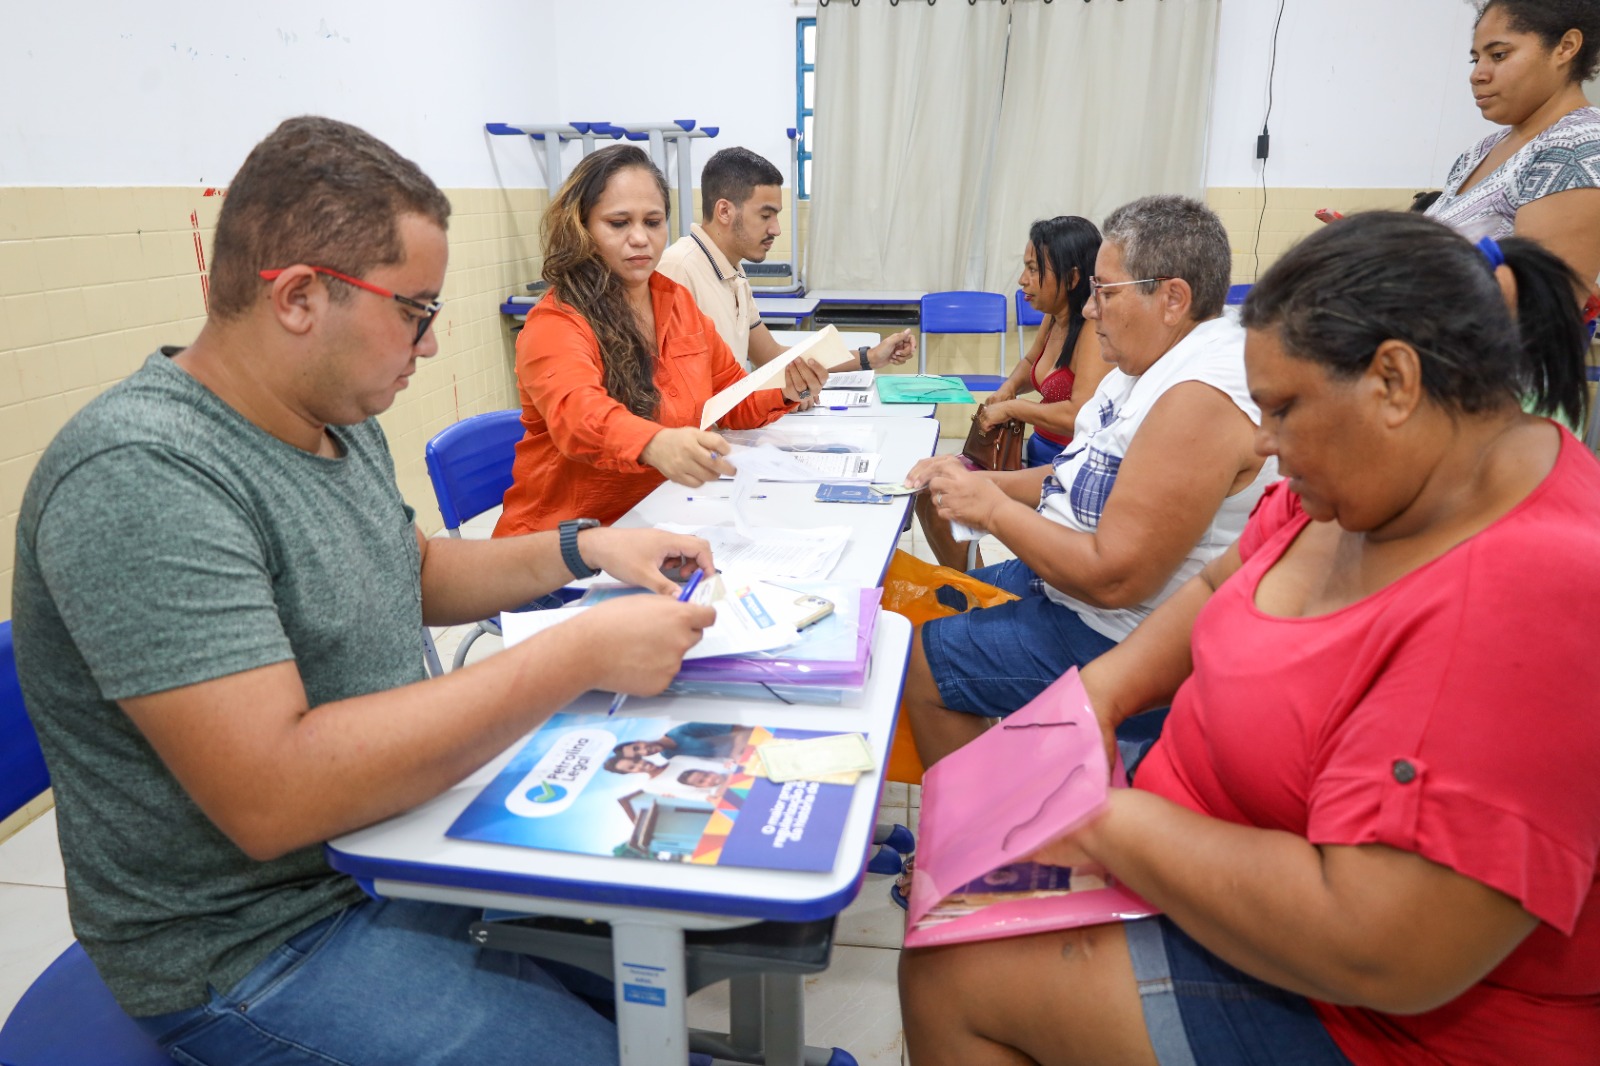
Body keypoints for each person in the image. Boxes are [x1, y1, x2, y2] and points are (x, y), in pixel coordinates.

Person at [10, 116, 724, 1066]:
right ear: (300, 297)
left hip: (397, 838)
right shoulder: (141, 476)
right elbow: (272, 795)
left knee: (693, 931)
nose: (429, 345)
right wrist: (575, 654)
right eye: (415, 311)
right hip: (262, 937)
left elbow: (409, 570)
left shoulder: (332, 415)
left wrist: (588, 549)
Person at [898, 212, 1600, 1066]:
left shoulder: (1536, 597)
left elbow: (1377, 945)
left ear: (1394, 381)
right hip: (1208, 845)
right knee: (960, 894)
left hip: (1369, 1014)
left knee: (952, 976)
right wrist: (1095, 702)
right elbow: (1216, 585)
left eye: (1285, 410)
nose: (1263, 444)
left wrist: (1104, 820)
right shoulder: (1380, 473)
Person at [901, 195, 1275, 767]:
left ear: (1172, 298)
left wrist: (993, 511)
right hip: (1072, 590)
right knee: (943, 599)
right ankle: (1006, 771)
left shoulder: (1199, 397)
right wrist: (981, 481)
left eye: (1105, 292)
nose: (1092, 310)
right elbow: (1073, 474)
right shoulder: (1149, 361)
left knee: (923, 664)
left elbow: (1113, 579)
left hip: (1120, 632)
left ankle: (988, 823)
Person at [494, 145, 829, 536]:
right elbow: (579, 417)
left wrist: (785, 390)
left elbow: (731, 397)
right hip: (564, 544)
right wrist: (654, 443)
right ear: (581, 229)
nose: (640, 238)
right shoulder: (557, 321)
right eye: (619, 223)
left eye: (653, 222)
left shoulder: (676, 302)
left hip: (658, 521)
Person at [914, 215, 1112, 570]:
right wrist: (1008, 389)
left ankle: (974, 588)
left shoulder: (1092, 330)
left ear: (1072, 278)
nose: (1023, 280)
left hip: (1064, 468)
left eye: (1034, 270)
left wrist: (1013, 409)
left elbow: (1078, 414)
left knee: (949, 495)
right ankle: (970, 584)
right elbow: (1031, 361)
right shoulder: (1055, 316)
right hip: (1033, 453)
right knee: (931, 492)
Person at [657, 146, 915, 380]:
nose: (776, 229)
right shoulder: (678, 270)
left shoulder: (734, 272)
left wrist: (869, 357)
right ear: (724, 211)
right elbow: (669, 387)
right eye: (765, 215)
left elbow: (771, 356)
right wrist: (769, 402)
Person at [1426, 0, 1600, 289]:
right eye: (1475, 60)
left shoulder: (1577, 149)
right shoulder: (1481, 151)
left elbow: (1539, 304)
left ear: (1566, 47)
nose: (1477, 75)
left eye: (1499, 55)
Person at [611, 721, 745, 762]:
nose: (645, 751)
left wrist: (736, 752)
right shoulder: (669, 756)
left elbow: (739, 729)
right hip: (738, 762)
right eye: (639, 755)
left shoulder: (683, 730)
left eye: (637, 748)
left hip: (747, 744)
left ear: (639, 741)